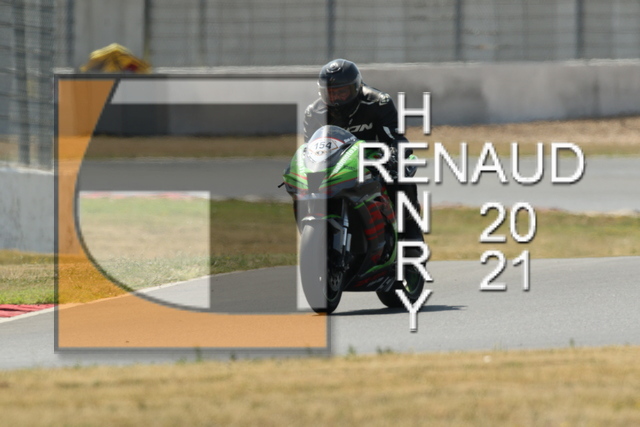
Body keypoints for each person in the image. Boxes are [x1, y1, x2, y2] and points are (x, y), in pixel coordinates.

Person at [303, 58, 424, 242]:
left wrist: (393, 157)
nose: (336, 99)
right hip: (335, 167)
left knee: (402, 174)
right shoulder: (314, 112)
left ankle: (411, 232)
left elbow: (395, 138)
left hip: (373, 163)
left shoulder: (378, 102)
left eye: (342, 92)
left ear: (356, 87)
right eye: (331, 93)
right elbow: (309, 150)